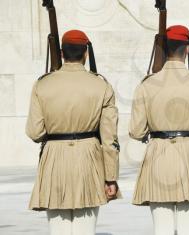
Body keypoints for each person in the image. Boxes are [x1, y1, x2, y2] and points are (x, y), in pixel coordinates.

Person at [129, 25, 189, 235]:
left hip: (158, 157)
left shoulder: (147, 84)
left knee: (162, 229)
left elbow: (136, 132)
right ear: (188, 49)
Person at [26, 30, 121, 235]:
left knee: (58, 230)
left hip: (54, 160)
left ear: (61, 53)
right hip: (88, 159)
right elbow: (109, 138)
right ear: (86, 53)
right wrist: (111, 177)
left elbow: (35, 132)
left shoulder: (42, 84)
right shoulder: (101, 85)